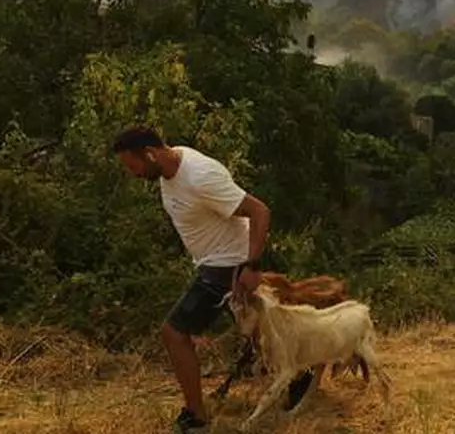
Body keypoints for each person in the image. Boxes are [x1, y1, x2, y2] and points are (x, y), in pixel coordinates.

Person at [110, 126, 315, 433]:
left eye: (132, 165)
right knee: (257, 330)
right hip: (212, 262)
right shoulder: (170, 169)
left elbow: (259, 212)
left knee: (174, 333)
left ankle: (196, 417)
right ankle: (301, 373)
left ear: (150, 154)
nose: (133, 173)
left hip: (225, 265)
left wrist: (250, 265)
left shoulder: (200, 175)